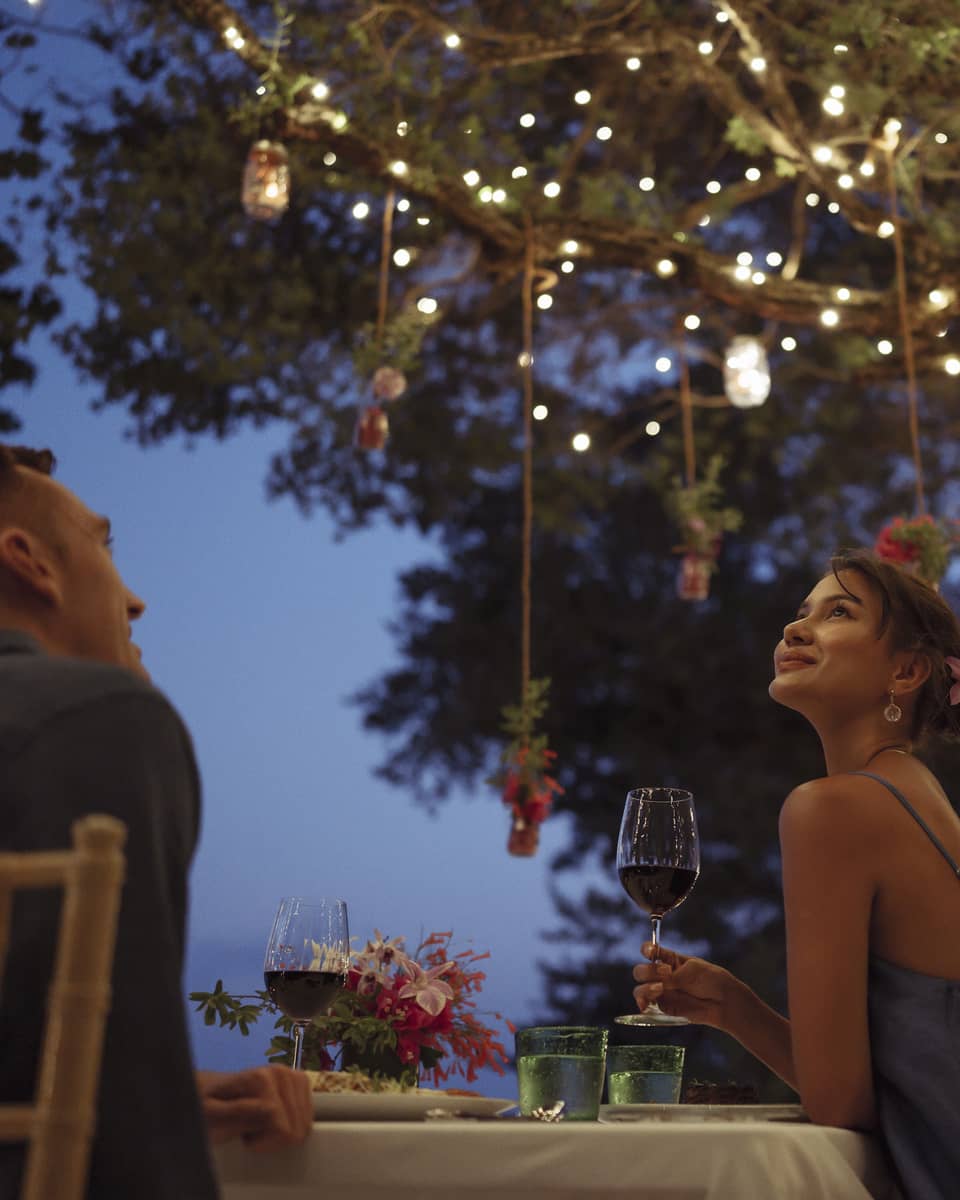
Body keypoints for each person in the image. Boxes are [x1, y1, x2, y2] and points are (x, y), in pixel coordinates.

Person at [0, 445, 313, 1198]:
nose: (134, 601)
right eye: (104, 550)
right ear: (29, 562)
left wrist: (170, 1093)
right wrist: (145, 1108)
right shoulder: (94, 718)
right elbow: (133, 1164)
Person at [632, 549, 960, 1200]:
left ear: (908, 670)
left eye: (839, 612)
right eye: (800, 612)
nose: (796, 628)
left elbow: (840, 1105)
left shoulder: (831, 810)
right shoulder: (917, 796)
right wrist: (735, 1009)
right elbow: (874, 1094)